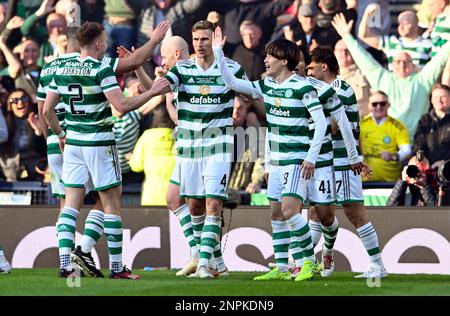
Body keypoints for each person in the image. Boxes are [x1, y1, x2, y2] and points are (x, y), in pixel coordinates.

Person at [37, 21, 170, 277]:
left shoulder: (59, 68)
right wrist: (153, 91)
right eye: (105, 40)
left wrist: (61, 134)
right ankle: (117, 268)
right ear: (98, 43)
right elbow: (121, 106)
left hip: (73, 142)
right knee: (111, 203)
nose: (106, 44)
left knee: (70, 205)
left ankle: (66, 264)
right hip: (99, 141)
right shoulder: (101, 69)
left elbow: (46, 111)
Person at [213, 26, 328, 282]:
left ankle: (308, 263)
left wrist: (311, 157)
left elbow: (320, 124)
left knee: (290, 211)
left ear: (284, 61)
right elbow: (231, 82)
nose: (265, 60)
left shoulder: (303, 87)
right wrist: (217, 53)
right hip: (275, 163)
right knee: (276, 213)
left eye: (270, 57)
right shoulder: (267, 85)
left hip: (297, 161)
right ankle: (282, 267)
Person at [149, 21, 248, 279]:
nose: (200, 44)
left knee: (213, 204)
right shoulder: (182, 69)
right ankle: (218, 264)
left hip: (218, 147)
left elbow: (249, 94)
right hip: (190, 149)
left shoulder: (232, 68)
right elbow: (158, 88)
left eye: (205, 39)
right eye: (196, 39)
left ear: (214, 40)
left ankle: (204, 265)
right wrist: (139, 73)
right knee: (194, 207)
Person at [305, 49, 388, 278]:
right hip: (329, 160)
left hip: (342, 162)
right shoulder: (326, 90)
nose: (308, 72)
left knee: (355, 214)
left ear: (324, 67)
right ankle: (307, 262)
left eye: (311, 67)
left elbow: (333, 126)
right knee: (315, 212)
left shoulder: (339, 90)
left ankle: (378, 265)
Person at [332, 12, 450, 139]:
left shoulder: (423, 79)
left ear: (413, 65)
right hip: (388, 142)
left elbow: (442, 56)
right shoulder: (384, 79)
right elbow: (364, 59)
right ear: (391, 65)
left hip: (417, 142)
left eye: (406, 61)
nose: (402, 65)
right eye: (398, 62)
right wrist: (346, 36)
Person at [360, 91, 412, 182]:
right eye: (374, 104)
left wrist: (393, 156)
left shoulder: (397, 126)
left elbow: (407, 150)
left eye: (382, 104)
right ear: (369, 106)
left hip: (390, 182)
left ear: (388, 105)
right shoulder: (361, 125)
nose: (379, 107)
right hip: (365, 182)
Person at [0, 89, 46, 182]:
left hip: (35, 171)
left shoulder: (38, 118)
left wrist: (38, 131)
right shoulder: (4, 122)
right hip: (9, 172)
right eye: (15, 100)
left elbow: (43, 150)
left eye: (24, 98)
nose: (20, 102)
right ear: (10, 105)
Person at [334, 39, 372, 118]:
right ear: (334, 53)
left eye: (347, 50)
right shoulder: (326, 76)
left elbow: (376, 98)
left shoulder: (365, 73)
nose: (344, 53)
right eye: (340, 51)